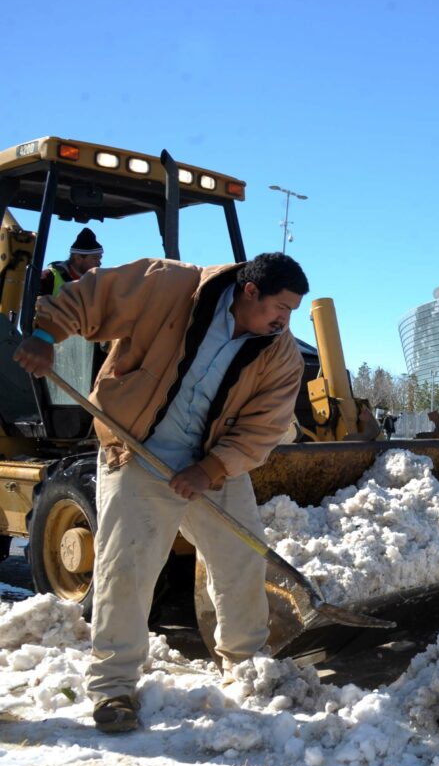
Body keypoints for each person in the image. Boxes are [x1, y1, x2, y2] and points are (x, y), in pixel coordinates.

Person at [14, 252, 309, 734]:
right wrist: (48, 336)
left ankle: (245, 663)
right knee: (124, 568)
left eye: (293, 311)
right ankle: (112, 688)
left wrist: (211, 468)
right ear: (249, 291)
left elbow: (264, 427)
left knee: (241, 558)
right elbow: (93, 296)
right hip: (137, 450)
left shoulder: (280, 354)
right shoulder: (168, 286)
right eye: (281, 307)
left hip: (211, 464)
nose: (285, 319)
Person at [40, 226, 104, 295]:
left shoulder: (97, 285)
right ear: (78, 258)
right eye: (95, 258)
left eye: (100, 258)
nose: (99, 263)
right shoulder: (48, 278)